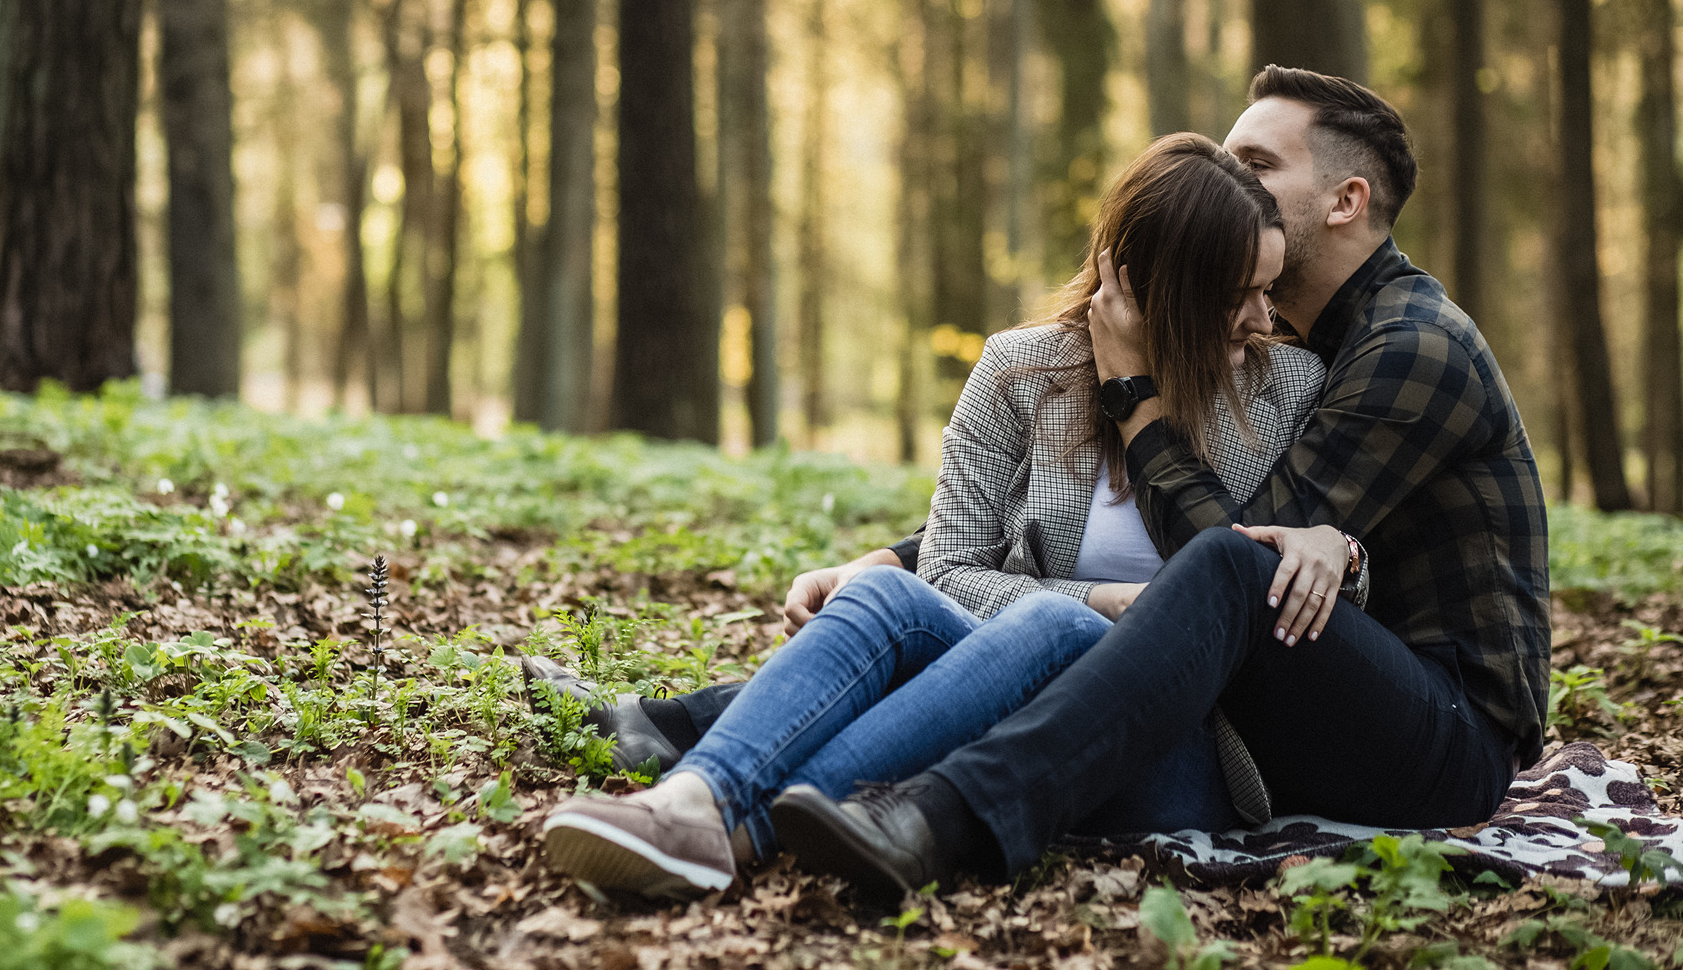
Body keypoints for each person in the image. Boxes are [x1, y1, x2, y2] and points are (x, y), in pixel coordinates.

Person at [772, 66, 1549, 900]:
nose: (1227, 177)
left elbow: (1233, 566)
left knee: (1178, 585)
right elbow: (1165, 550)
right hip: (1330, 695)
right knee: (948, 622)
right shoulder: (1306, 337)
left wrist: (1134, 398)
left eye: (1254, 163)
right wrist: (902, 560)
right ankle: (702, 742)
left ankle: (950, 811)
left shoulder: (1410, 348)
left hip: (1445, 735)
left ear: (1345, 201)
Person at [536, 134, 1344, 899]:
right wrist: (1101, 602)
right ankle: (691, 808)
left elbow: (1299, 574)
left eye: (1267, 289)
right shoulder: (1020, 372)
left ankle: (726, 818)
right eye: (1235, 295)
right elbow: (950, 570)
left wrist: (1115, 614)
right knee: (889, 595)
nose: (1262, 319)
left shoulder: (1288, 397)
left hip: (1172, 745)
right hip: (1002, 689)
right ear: (1141, 287)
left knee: (1054, 630)